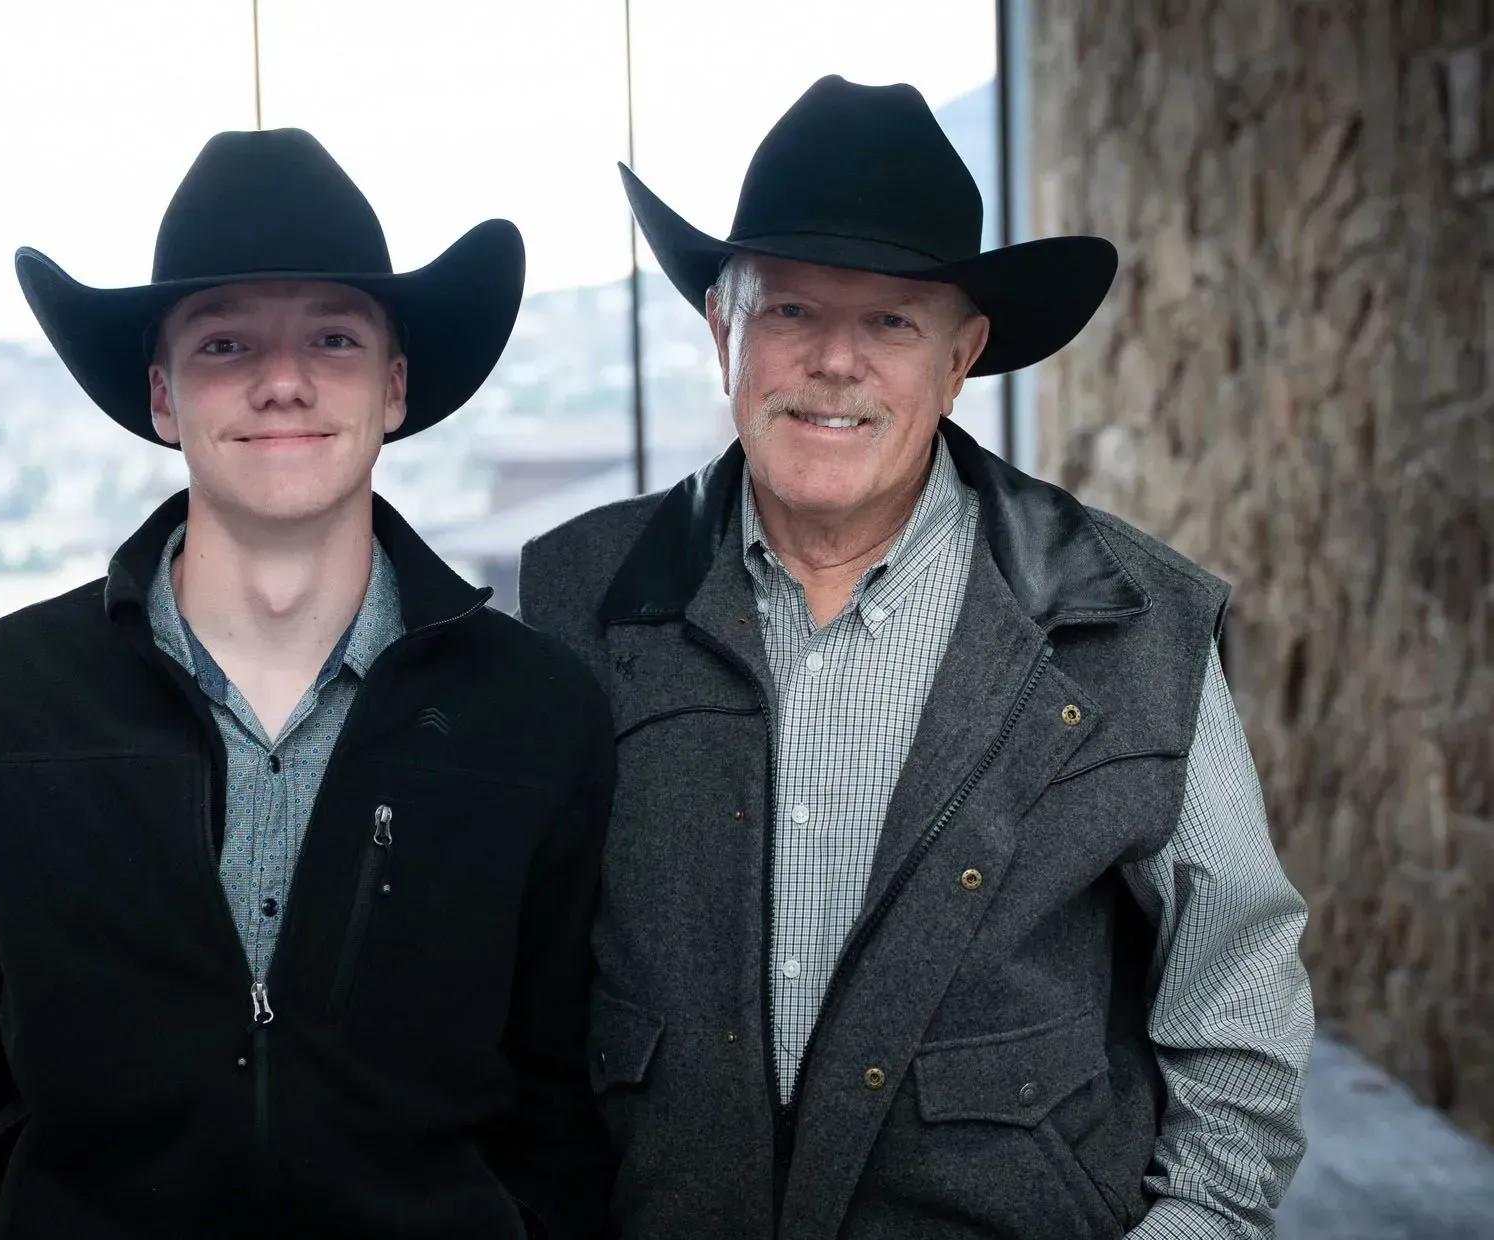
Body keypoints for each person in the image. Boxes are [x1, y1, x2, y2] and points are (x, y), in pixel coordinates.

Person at [518, 77, 1314, 1240]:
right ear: (721, 332)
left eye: (892, 320)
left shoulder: (1129, 620)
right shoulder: (576, 598)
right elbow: (502, 998)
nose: (835, 360)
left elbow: (1237, 996)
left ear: (960, 357)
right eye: (788, 310)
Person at [0, 127, 615, 1240]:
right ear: (161, 399)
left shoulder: (538, 714)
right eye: (223, 345)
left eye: (334, 337)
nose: (284, 380)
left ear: (393, 388)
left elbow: (565, 1087)